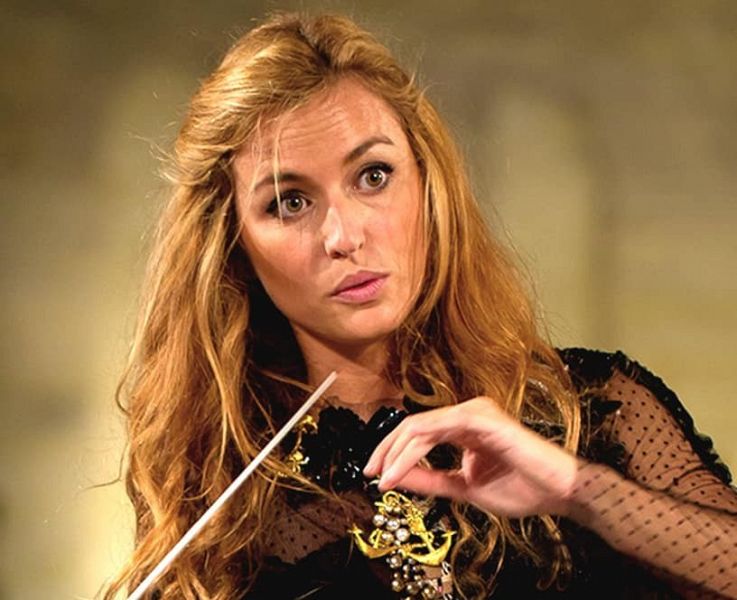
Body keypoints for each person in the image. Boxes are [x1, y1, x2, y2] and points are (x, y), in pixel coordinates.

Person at [103, 12, 737, 600]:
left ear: (429, 186)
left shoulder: (591, 413)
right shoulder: (222, 510)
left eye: (373, 176)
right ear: (233, 243)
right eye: (289, 202)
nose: (344, 236)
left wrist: (581, 491)